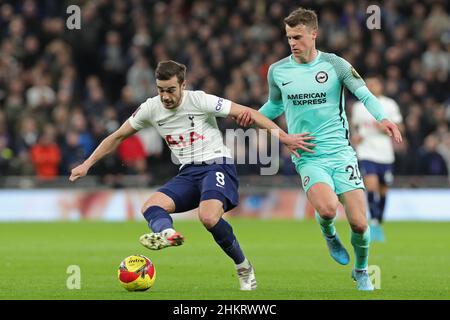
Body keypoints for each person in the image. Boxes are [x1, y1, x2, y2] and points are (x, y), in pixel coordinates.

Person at [69, 60, 313, 291]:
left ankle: (244, 267)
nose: (165, 96)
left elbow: (247, 111)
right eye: (161, 90)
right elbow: (117, 136)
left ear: (183, 85)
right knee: (150, 206)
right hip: (188, 171)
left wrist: (285, 138)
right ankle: (166, 233)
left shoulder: (199, 100)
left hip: (217, 164)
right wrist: (87, 163)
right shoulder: (150, 108)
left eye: (171, 90)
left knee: (207, 217)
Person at [236, 8, 402, 291]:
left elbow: (362, 93)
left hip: (340, 152)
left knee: (361, 225)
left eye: (298, 37)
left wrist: (383, 118)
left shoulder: (335, 65)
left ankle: (361, 270)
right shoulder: (278, 71)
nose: (292, 42)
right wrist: (252, 117)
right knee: (326, 210)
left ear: (314, 34)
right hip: (308, 154)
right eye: (289, 37)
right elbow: (276, 105)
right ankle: (328, 232)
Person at [351, 75, 404, 242]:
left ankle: (378, 221)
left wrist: (384, 129)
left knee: (383, 190)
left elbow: (399, 126)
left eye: (375, 83)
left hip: (385, 153)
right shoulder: (359, 107)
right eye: (370, 84)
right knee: (371, 184)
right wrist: (355, 136)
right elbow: (354, 127)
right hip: (366, 151)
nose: (372, 86)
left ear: (381, 86)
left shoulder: (389, 104)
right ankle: (373, 222)